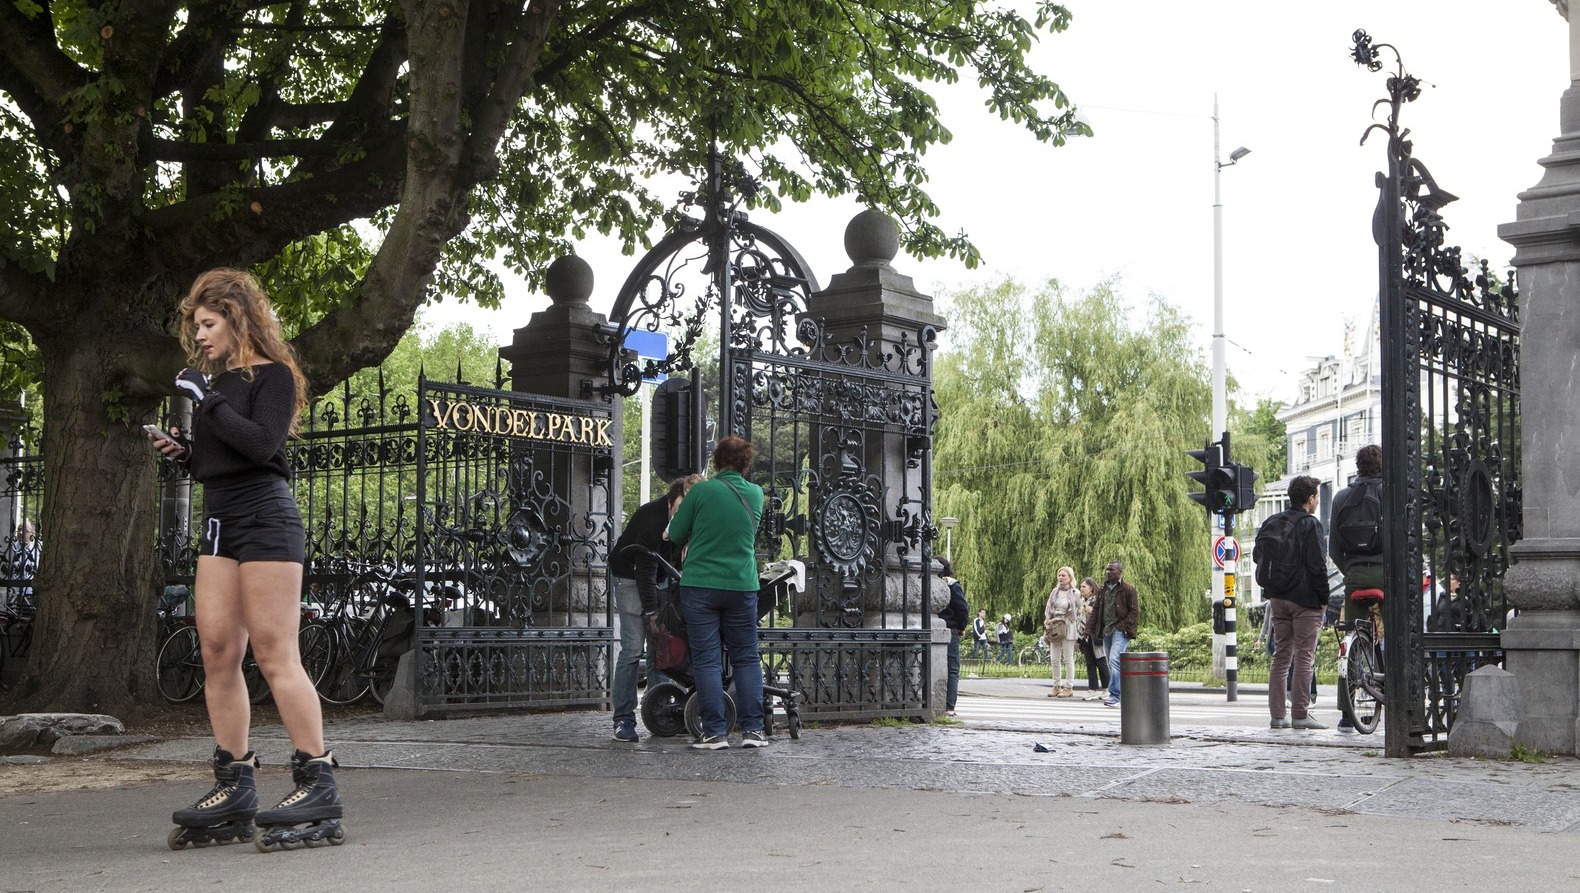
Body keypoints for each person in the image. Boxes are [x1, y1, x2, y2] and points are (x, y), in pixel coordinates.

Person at [150, 268, 343, 850]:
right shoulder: (218, 387)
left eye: (208, 324)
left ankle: (318, 780)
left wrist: (206, 403)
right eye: (196, 326)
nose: (200, 336)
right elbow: (224, 454)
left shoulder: (274, 377)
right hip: (219, 521)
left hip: (265, 518)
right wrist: (184, 454)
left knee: (274, 651)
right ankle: (235, 783)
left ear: (237, 318)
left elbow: (262, 445)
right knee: (216, 651)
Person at [664, 436, 767, 750]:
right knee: (747, 658)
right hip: (742, 585)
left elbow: (676, 533)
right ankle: (754, 731)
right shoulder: (756, 494)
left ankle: (715, 733)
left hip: (701, 586)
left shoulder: (703, 491)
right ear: (746, 464)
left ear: (718, 461)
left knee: (707, 660)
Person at [607, 474, 702, 742]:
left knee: (660, 650)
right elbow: (644, 572)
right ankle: (623, 719)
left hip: (658, 576)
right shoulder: (651, 520)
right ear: (671, 502)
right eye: (681, 510)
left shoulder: (686, 518)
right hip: (629, 575)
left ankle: (661, 712)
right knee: (632, 648)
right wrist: (651, 612)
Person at [1259, 475, 1330, 731]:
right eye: (1317, 497)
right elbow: (1317, 566)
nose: (1317, 501)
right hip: (1305, 600)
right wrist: (1324, 598)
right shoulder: (1311, 525)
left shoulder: (1272, 522)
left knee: (1281, 656)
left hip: (1277, 598)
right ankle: (1300, 713)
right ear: (1310, 499)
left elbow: (1259, 556)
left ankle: (1277, 715)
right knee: (1304, 656)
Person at [1329, 443, 1384, 732]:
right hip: (1386, 573)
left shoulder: (1341, 497)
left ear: (1357, 466)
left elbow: (1334, 547)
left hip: (1354, 575)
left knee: (1351, 634)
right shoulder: (1390, 492)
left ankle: (1346, 716)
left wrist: (1350, 571)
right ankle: (1399, 699)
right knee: (1399, 634)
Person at [1092, 561, 1138, 707]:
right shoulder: (1102, 590)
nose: (1108, 572)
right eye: (1107, 570)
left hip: (1120, 630)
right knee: (1112, 663)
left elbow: (1134, 612)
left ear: (1119, 572)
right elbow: (1096, 611)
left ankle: (1115, 695)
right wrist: (1088, 629)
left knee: (1114, 660)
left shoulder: (1128, 589)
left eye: (1111, 570)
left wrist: (1122, 626)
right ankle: (1122, 692)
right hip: (1106, 630)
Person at [935, 558, 969, 716]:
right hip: (950, 629)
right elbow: (962, 608)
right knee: (952, 669)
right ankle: (949, 707)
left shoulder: (926, 582)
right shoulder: (952, 584)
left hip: (931, 627)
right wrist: (961, 627)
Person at [1043, 566, 1081, 698]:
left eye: (1063, 575)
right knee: (1054, 658)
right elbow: (1049, 607)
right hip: (1055, 626)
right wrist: (1047, 620)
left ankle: (1068, 686)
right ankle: (1056, 685)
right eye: (1059, 575)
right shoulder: (1055, 592)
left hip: (1068, 626)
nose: (1060, 577)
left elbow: (1081, 609)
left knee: (1068, 658)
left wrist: (1077, 623)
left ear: (1070, 578)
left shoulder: (1075, 593)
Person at [1076, 576, 1109, 699]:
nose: (1081, 589)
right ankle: (1092, 689)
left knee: (1101, 662)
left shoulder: (1097, 601)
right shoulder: (1083, 602)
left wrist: (1089, 610)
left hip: (1095, 636)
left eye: (1084, 586)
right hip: (1085, 636)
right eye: (1081, 586)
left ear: (1091, 588)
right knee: (1090, 663)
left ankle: (1107, 688)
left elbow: (1102, 616)